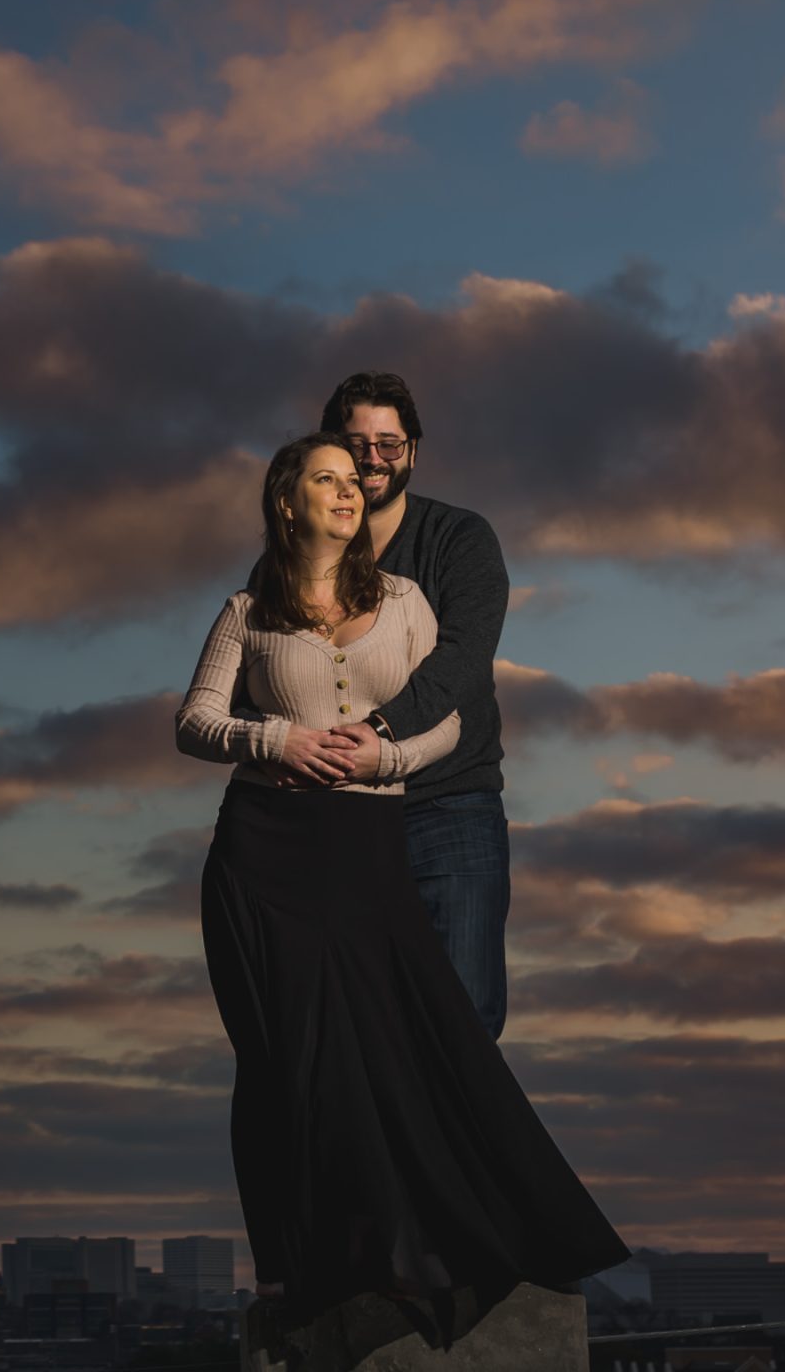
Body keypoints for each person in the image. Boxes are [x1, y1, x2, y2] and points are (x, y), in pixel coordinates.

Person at [178, 432, 626, 1347]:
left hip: (368, 842)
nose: (348, 493)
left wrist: (387, 754)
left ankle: (438, 1240)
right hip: (262, 855)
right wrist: (276, 741)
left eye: (355, 481)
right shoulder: (244, 611)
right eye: (327, 480)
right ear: (287, 501)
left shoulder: (407, 601)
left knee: (403, 1035)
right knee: (288, 1058)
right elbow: (195, 722)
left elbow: (453, 722)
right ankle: (308, 1263)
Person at [308, 372, 513, 1040]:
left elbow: (460, 659)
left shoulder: (460, 540)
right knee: (349, 1024)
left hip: (449, 804)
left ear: (413, 452)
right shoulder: (293, 560)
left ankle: (460, 1149)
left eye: (388, 444)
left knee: (462, 1020)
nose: (371, 458)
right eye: (354, 443)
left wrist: (379, 730)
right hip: (334, 814)